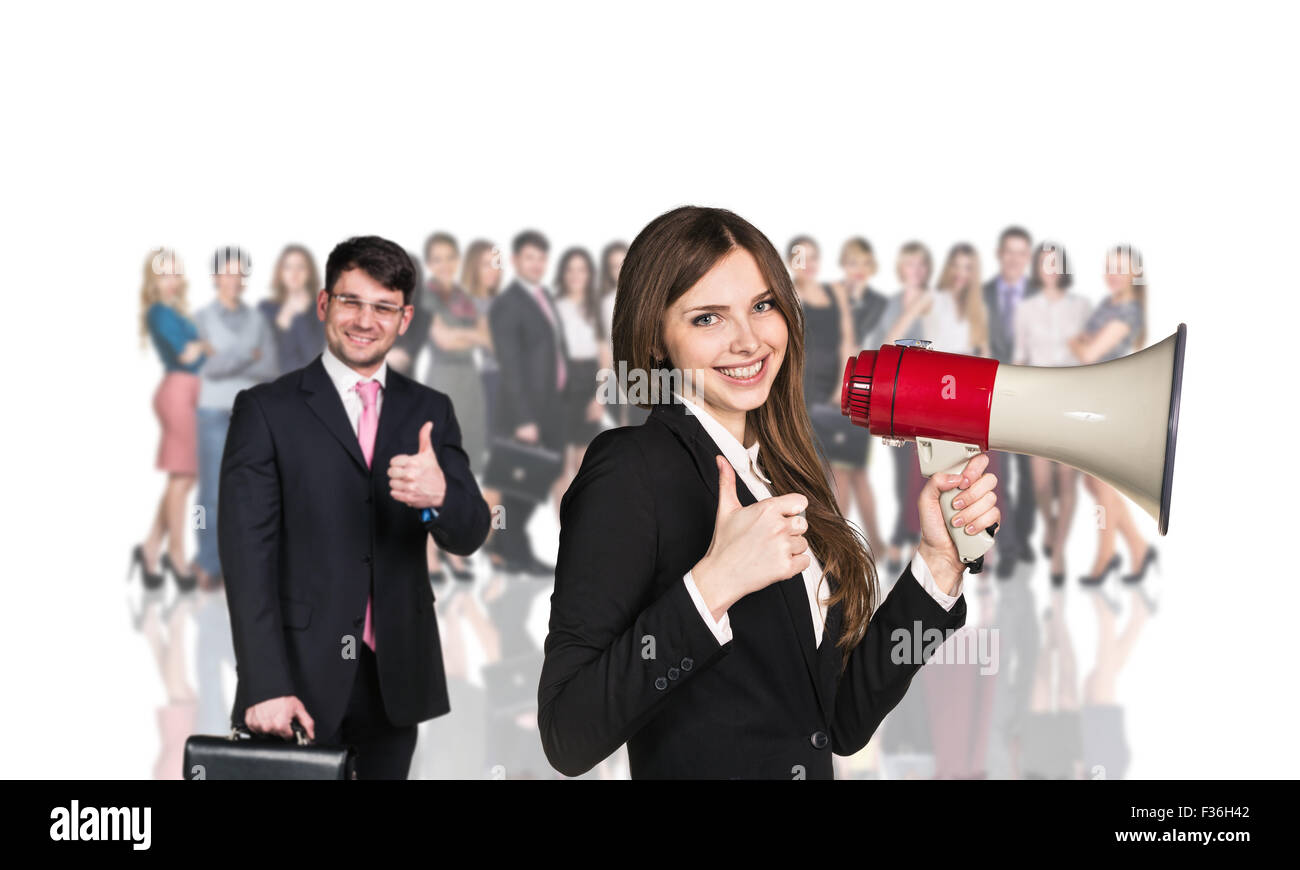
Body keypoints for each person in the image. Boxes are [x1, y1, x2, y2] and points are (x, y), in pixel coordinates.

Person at [537, 206, 1001, 779]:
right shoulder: (630, 468)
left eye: (762, 306)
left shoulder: (785, 472)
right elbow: (567, 732)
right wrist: (714, 585)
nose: (749, 340)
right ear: (657, 339)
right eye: (708, 318)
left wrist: (937, 563)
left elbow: (840, 723)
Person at [219, 234, 492, 779]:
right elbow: (246, 557)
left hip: (396, 682)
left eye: (383, 307)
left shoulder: (430, 409)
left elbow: (470, 532)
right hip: (296, 681)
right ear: (325, 304)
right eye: (351, 301)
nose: (366, 321)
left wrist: (440, 497)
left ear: (405, 318)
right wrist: (265, 684)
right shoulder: (266, 410)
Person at [1068, 244, 1155, 588]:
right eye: (1110, 267)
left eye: (1120, 268)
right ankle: (1136, 545)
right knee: (1094, 481)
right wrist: (1082, 344)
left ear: (1134, 273)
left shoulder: (1130, 311)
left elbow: (1088, 351)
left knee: (1101, 482)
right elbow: (1085, 347)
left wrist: (1080, 344)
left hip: (1110, 404)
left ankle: (1105, 556)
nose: (1113, 274)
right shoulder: (1109, 305)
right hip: (1093, 399)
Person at [193, 246, 279, 589]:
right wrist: (248, 355)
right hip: (212, 412)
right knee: (210, 494)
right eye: (227, 272)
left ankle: (241, 564)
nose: (234, 279)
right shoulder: (200, 320)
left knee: (249, 492)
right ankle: (208, 562)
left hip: (248, 414)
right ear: (215, 277)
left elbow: (270, 367)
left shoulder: (258, 320)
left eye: (239, 273)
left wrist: (229, 358)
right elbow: (208, 368)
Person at [485, 230, 569, 576]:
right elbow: (510, 364)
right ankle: (513, 552)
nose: (536, 264)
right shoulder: (508, 304)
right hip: (526, 410)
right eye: (529, 257)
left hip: (551, 405)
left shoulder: (543, 296)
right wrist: (523, 418)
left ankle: (508, 546)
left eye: (541, 258)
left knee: (540, 476)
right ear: (516, 260)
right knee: (518, 486)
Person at [1014, 242, 1092, 584]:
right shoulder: (1025, 308)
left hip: (1073, 397)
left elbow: (1091, 354)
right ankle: (1049, 526)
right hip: (1037, 400)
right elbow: (1020, 355)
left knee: (1067, 478)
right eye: (1044, 263)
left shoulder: (1082, 306)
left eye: (1055, 262)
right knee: (1042, 483)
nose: (1050, 268)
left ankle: (1059, 551)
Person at [981, 226, 1038, 572]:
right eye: (1009, 252)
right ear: (1000, 255)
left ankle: (1024, 540)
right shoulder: (983, 294)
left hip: (1031, 398)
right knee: (997, 475)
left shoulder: (1039, 293)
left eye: (1021, 253)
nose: (1015, 259)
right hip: (989, 399)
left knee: (1029, 474)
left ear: (1026, 258)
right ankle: (1005, 545)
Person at [258, 244, 326, 374]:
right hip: (271, 386)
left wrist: (299, 316)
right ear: (280, 272)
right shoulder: (266, 309)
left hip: (306, 386)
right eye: (288, 267)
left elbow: (313, 357)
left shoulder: (319, 310)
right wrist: (282, 324)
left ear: (309, 273)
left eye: (300, 267)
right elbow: (264, 359)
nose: (294, 273)